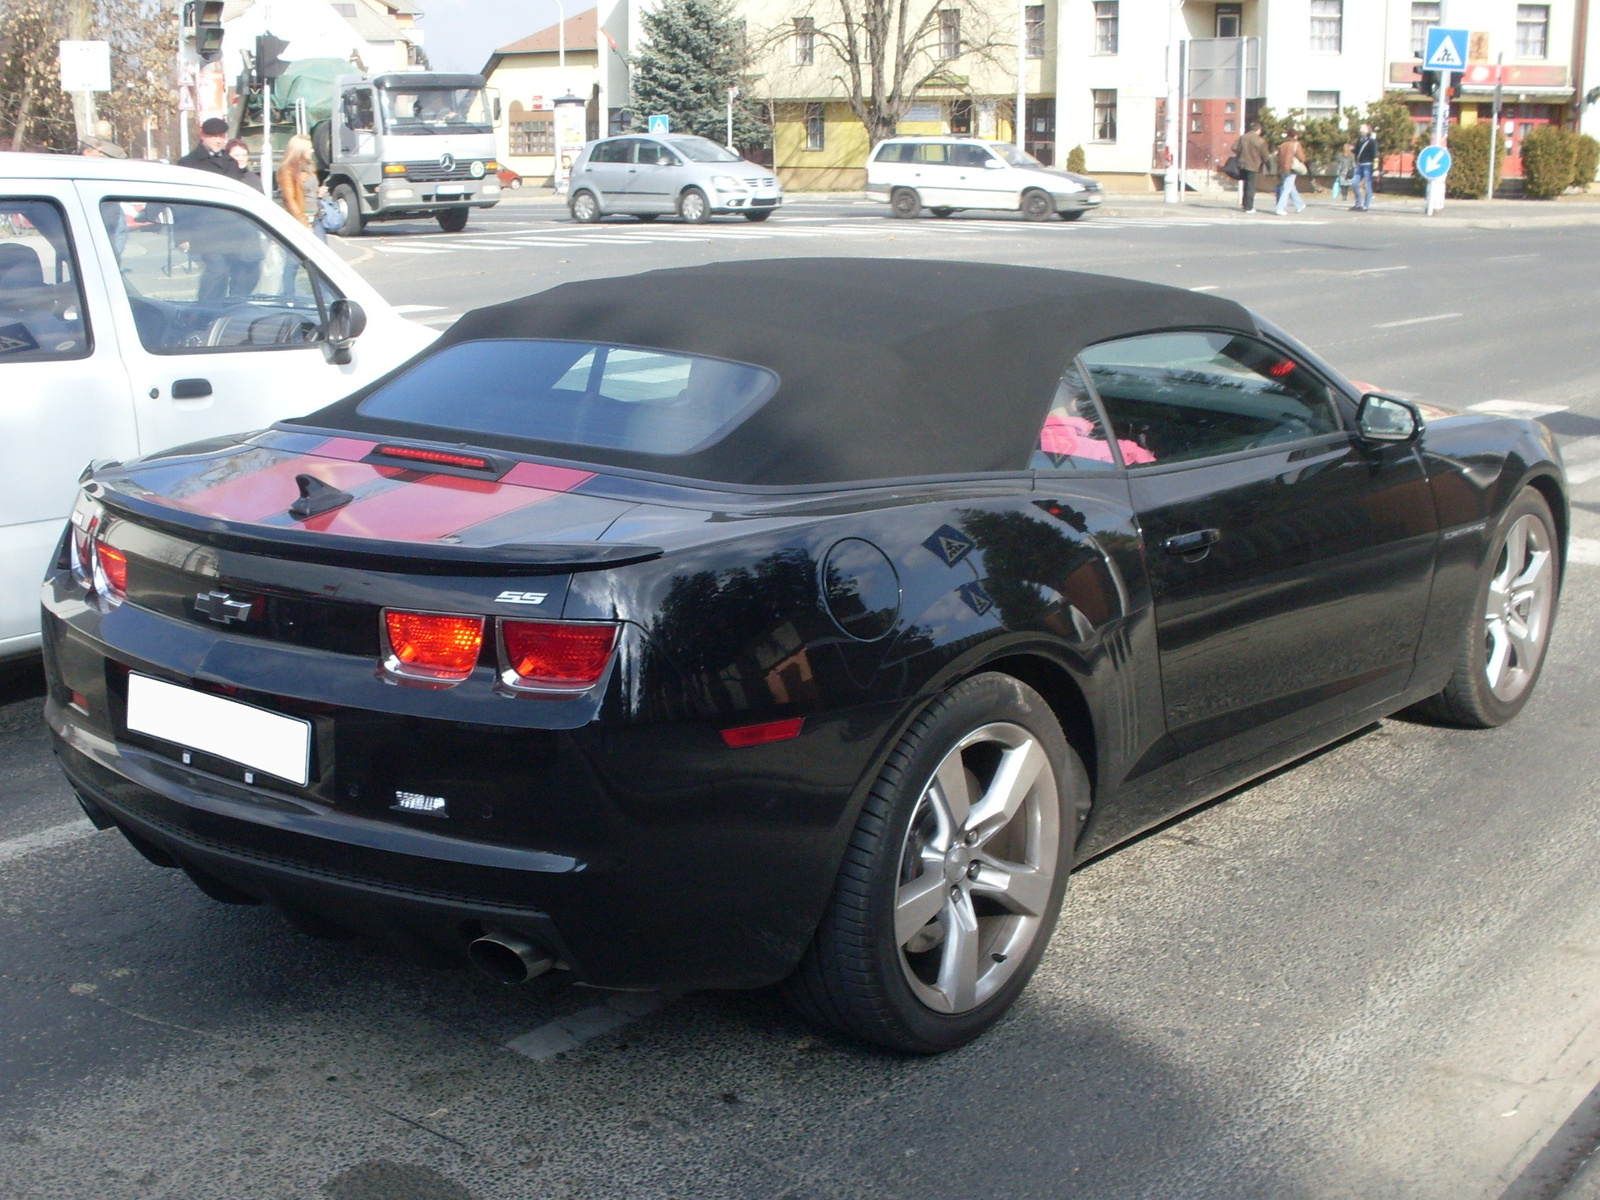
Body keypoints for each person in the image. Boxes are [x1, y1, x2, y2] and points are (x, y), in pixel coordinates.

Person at [178, 117, 244, 179]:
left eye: (221, 136)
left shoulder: (232, 163)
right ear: (202, 135)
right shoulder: (188, 163)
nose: (218, 141)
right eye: (214, 136)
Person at [1233, 121, 1271, 213]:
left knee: (1246, 185)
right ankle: (1249, 207)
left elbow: (1234, 147)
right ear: (1258, 130)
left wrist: (1240, 154)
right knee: (1251, 186)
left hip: (1242, 164)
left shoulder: (1243, 137)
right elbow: (1265, 155)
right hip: (1253, 165)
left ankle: (1244, 204)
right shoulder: (1260, 141)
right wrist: (1269, 166)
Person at [1275, 128, 1307, 215]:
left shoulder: (1282, 145)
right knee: (1287, 189)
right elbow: (1301, 158)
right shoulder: (1296, 144)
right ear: (1295, 135)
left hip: (1282, 169)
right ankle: (1280, 208)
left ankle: (1299, 204)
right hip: (1291, 168)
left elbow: (1278, 158)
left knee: (1291, 187)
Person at [1352, 123, 1379, 211]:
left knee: (1367, 186)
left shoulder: (1372, 141)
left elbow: (1375, 155)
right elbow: (1357, 152)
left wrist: (1375, 169)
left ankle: (1365, 205)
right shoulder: (1359, 140)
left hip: (1368, 165)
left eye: (1363, 128)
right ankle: (1358, 203)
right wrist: (1352, 149)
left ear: (1367, 130)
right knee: (1354, 183)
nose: (1361, 129)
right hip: (1360, 165)